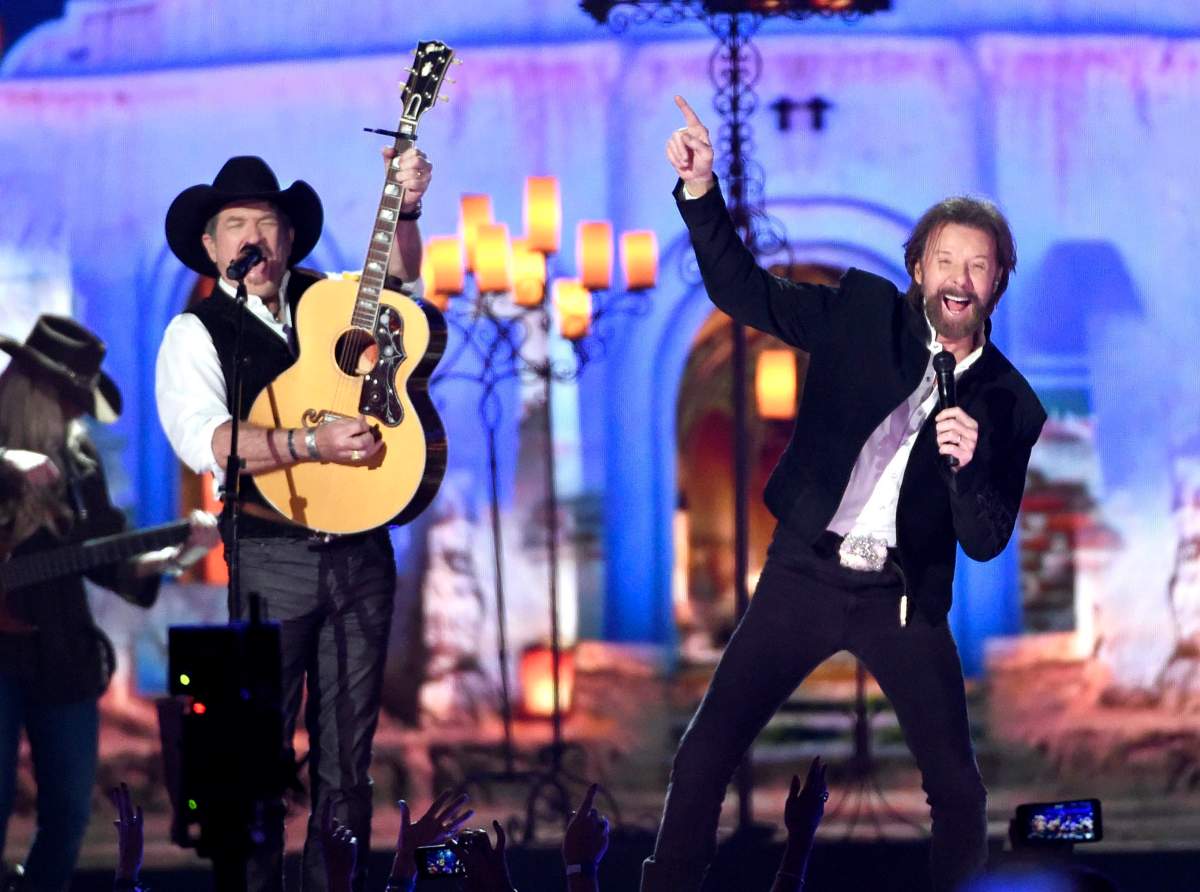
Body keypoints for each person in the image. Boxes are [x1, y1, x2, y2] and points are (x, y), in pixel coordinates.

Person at [642, 97, 1048, 892]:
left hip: (903, 599)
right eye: (944, 261)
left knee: (959, 789)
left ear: (999, 278)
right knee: (704, 752)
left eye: (977, 265)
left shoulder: (1009, 401)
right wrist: (699, 192)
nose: (959, 280)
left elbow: (988, 538)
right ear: (918, 270)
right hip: (805, 572)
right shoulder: (862, 315)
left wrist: (967, 468)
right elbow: (744, 292)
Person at [154, 147, 433, 892]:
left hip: (363, 552)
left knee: (349, 766)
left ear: (290, 236)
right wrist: (309, 443)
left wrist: (404, 209)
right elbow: (209, 441)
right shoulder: (196, 332)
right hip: (269, 558)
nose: (256, 237)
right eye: (236, 223)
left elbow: (402, 288)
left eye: (269, 222)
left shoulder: (326, 301)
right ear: (211, 246)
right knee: (253, 764)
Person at [0, 316, 218, 892]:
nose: (73, 414)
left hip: (60, 652)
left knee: (70, 810)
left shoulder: (79, 466)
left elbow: (106, 562)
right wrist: (7, 466)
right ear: (28, 386)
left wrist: (174, 557)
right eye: (65, 398)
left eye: (78, 402)